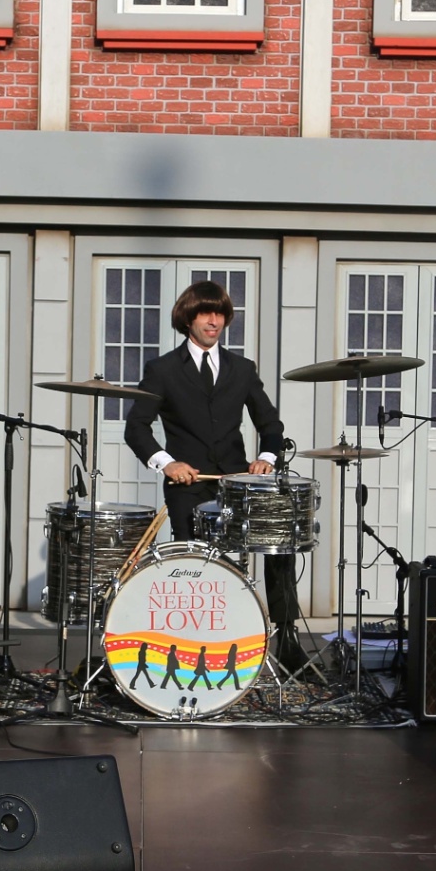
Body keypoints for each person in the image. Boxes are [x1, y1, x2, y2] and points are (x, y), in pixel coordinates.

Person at [125, 281, 306, 674]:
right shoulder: (162, 370)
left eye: (220, 314)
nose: (214, 321)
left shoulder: (243, 369)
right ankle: (196, 645)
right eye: (206, 313)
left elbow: (270, 424)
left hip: (238, 484)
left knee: (279, 538)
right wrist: (166, 463)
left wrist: (266, 457)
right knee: (196, 566)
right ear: (187, 319)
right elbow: (136, 428)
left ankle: (287, 634)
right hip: (188, 488)